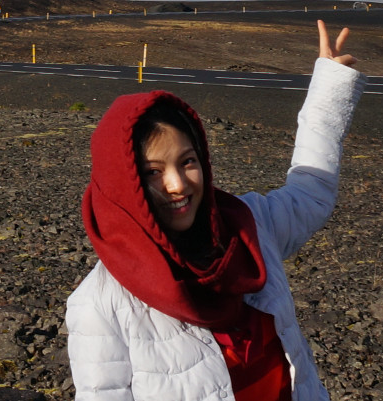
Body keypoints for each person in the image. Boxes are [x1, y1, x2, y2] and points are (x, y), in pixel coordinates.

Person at [66, 21, 364, 401]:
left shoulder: (248, 228)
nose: (178, 184)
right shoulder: (100, 305)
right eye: (153, 172)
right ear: (123, 183)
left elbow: (311, 193)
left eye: (187, 162)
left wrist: (328, 91)